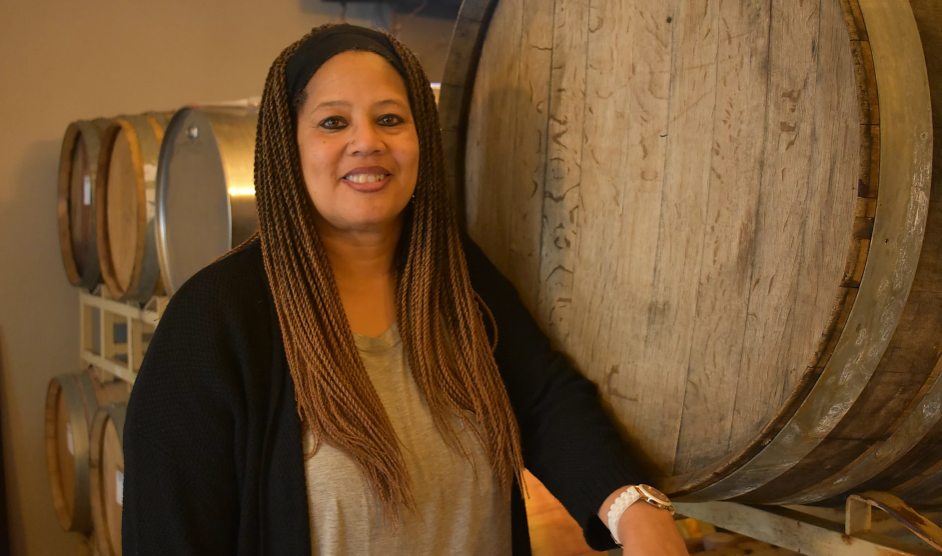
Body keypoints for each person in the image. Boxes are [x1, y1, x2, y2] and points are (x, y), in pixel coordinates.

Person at [122, 23, 688, 556]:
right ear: (286, 146)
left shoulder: (452, 274)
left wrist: (633, 508)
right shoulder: (214, 320)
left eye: (390, 119)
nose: (367, 142)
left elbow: (543, 398)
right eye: (333, 122)